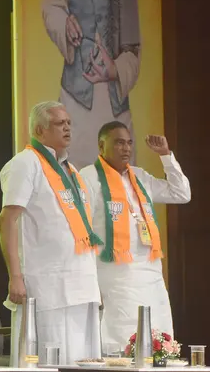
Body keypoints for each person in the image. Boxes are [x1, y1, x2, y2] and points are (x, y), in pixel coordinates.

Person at [0, 101, 102, 366]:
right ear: (39, 130)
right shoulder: (25, 163)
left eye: (68, 123)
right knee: (48, 360)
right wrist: (15, 276)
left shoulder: (72, 170)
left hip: (81, 283)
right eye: (59, 123)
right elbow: (7, 220)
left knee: (82, 359)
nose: (67, 128)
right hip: (47, 285)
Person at [80, 122, 190, 349]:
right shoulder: (89, 177)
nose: (126, 148)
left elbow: (181, 193)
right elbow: (83, 231)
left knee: (158, 333)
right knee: (122, 336)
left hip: (150, 273)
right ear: (101, 146)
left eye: (129, 143)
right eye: (119, 142)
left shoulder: (139, 176)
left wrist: (166, 156)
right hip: (115, 276)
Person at [42, 0, 141, 169]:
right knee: (72, 180)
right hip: (75, 97)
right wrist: (65, 23)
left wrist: (115, 69)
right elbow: (52, 7)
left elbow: (133, 44)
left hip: (115, 105)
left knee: (120, 185)